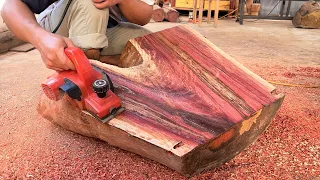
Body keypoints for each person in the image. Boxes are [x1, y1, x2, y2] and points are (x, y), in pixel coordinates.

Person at [1, 0, 154, 71]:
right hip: (58, 29)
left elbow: (143, 17)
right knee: (90, 2)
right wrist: (40, 38)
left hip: (104, 27)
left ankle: (94, 61)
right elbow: (11, 5)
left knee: (150, 44)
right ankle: (86, 76)